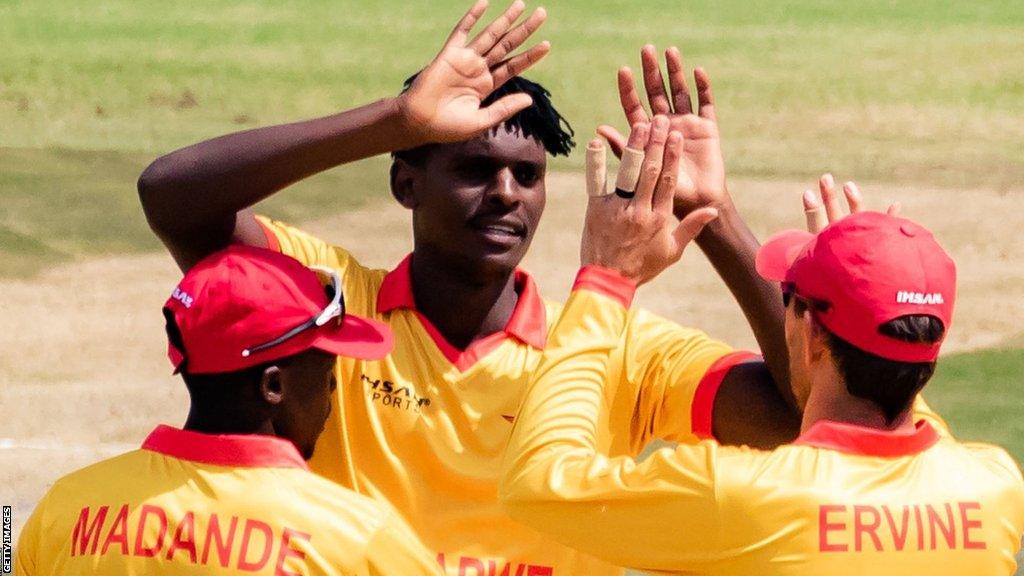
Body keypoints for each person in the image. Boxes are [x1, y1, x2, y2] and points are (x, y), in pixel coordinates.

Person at [136, 0, 807, 571]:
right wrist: (395, 121)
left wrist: (713, 214)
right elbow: (172, 197)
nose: (505, 195)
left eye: (528, 175)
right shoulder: (330, 310)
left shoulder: (610, 344)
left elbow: (803, 408)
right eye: (476, 167)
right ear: (406, 183)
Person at [498, 124, 1024, 574]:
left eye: (788, 296)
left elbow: (540, 482)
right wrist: (869, 278)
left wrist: (606, 278)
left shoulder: (747, 497)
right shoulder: (994, 489)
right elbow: (901, 376)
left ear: (814, 335)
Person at [16, 245, 440, 575]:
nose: (332, 387)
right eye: (327, 369)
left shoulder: (64, 505)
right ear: (273, 386)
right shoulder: (360, 535)